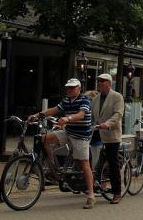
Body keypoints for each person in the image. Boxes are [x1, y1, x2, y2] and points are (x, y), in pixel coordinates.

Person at [28, 78, 95, 209]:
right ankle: (53, 166)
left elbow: (81, 114)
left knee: (84, 163)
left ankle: (91, 195)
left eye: (72, 88)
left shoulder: (84, 100)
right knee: (43, 138)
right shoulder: (66, 100)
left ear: (79, 89)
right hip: (68, 132)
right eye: (68, 88)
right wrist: (37, 115)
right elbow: (53, 110)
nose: (69, 90)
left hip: (81, 136)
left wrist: (68, 118)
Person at [91, 74, 124, 204]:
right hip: (98, 131)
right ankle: (93, 184)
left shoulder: (117, 97)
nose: (99, 83)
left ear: (109, 83)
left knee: (112, 163)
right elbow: (93, 117)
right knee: (86, 155)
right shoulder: (95, 99)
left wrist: (108, 124)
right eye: (98, 81)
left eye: (102, 81)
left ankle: (117, 192)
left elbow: (118, 114)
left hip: (111, 133)